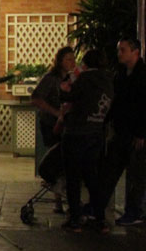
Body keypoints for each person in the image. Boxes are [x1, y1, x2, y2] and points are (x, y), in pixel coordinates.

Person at [58, 49, 113, 232]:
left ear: (86, 64)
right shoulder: (108, 81)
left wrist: (63, 89)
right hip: (96, 133)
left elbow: (68, 96)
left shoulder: (84, 79)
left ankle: (75, 220)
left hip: (76, 132)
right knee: (92, 178)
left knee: (73, 177)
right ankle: (100, 219)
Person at [103, 38, 146, 226]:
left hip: (135, 132)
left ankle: (134, 211)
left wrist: (141, 133)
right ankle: (99, 205)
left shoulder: (142, 74)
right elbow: (117, 101)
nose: (119, 53)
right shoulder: (121, 74)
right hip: (122, 129)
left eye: (123, 50)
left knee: (136, 174)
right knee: (111, 168)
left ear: (135, 52)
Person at [30, 46, 77, 214]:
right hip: (51, 124)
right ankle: (58, 199)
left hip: (66, 125)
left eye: (73, 59)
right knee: (58, 159)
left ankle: (62, 198)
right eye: (68, 59)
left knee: (65, 162)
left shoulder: (73, 78)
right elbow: (36, 98)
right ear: (60, 61)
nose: (72, 62)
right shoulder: (51, 79)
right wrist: (56, 112)